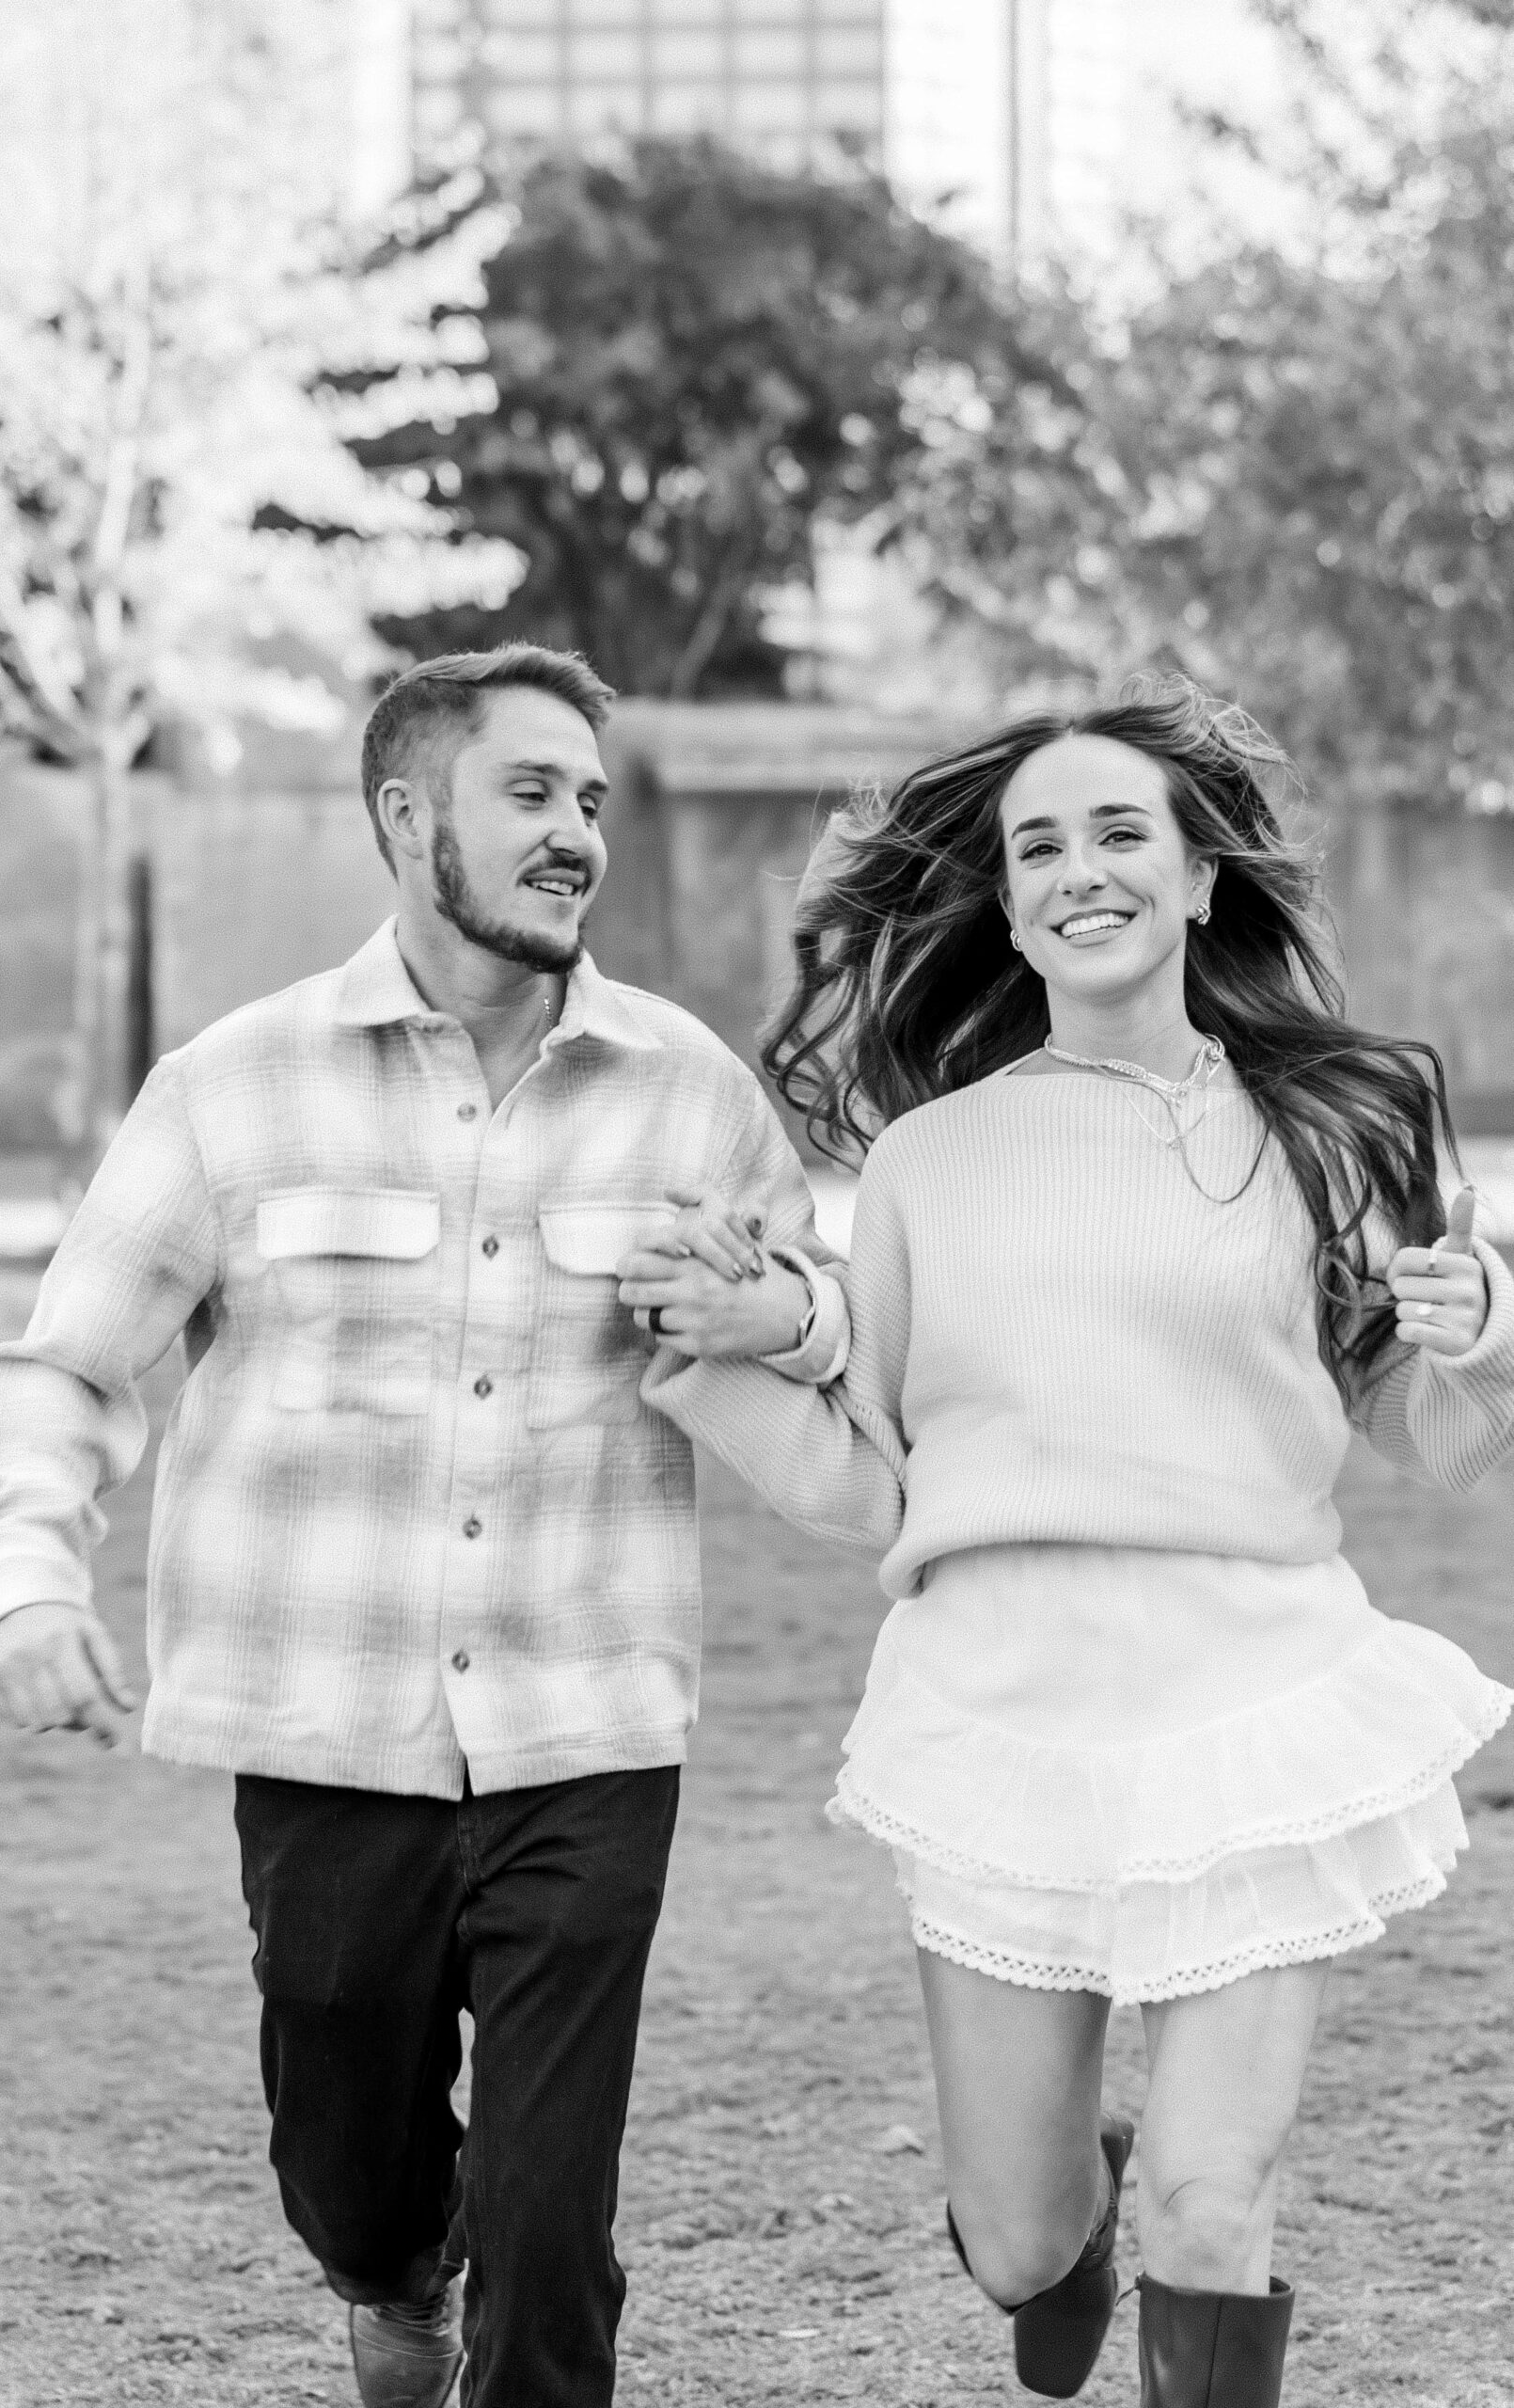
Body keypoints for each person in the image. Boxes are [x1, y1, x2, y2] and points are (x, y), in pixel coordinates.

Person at [0, 643, 851, 2408]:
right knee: (352, 2165)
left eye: (588, 798)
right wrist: (23, 1583)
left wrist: (788, 1320)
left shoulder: (688, 1090)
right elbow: (64, 1365)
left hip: (589, 1723)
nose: (573, 831)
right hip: (320, 1726)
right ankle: (386, 2271)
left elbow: (829, 1333)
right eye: (529, 793)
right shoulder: (234, 1085)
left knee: (552, 2211)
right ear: (402, 812)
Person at [617, 679, 1514, 2408]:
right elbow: (879, 1484)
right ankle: (1064, 2204)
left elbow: (1435, 1433)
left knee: (1211, 2203)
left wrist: (1480, 1329)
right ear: (1009, 903)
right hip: (1002, 1706)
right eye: (1041, 846)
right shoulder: (928, 1165)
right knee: (1023, 2243)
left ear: (1197, 883)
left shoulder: (1330, 1132)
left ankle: (1167, 2229)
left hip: (1253, 1692)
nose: (1080, 870)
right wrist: (730, 1359)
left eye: (1122, 833)